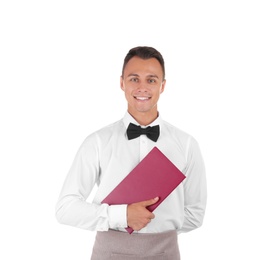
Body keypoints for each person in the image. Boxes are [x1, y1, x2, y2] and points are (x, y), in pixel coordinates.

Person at [56, 46, 207, 259]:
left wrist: (160, 229)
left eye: (151, 80)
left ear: (163, 86)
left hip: (165, 252)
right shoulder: (97, 141)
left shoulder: (187, 144)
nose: (142, 87)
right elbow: (66, 208)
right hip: (109, 252)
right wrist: (121, 216)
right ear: (122, 83)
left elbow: (195, 214)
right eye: (134, 79)